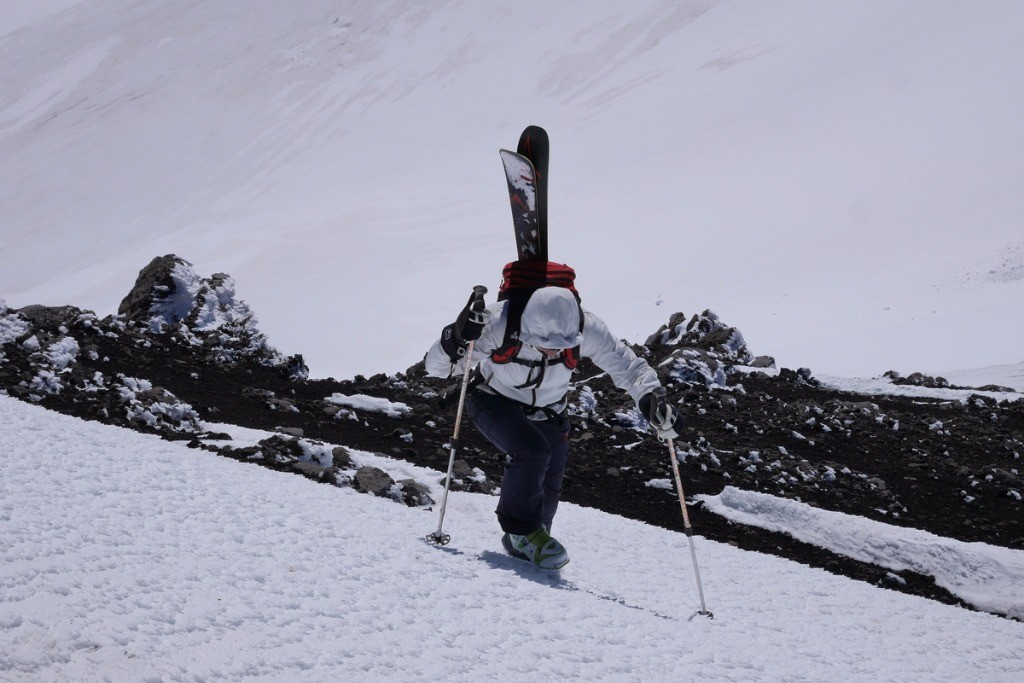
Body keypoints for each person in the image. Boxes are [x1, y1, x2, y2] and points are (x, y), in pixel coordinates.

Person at [425, 285, 684, 569]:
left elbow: (628, 366)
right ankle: (520, 532)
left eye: (564, 342)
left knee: (551, 474)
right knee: (531, 450)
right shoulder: (499, 324)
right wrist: (457, 338)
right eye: (548, 342)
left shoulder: (586, 327)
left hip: (549, 408)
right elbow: (439, 368)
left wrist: (650, 397)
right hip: (492, 398)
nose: (558, 349)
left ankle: (530, 535)